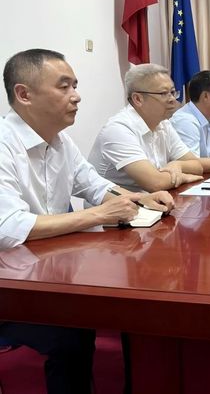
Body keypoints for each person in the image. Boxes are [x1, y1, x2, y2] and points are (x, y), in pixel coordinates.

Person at [0, 49, 174, 394]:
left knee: (120, 306)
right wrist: (99, 214)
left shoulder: (61, 142)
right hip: (12, 286)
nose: (77, 96)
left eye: (75, 85)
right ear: (24, 94)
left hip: (49, 273)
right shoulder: (4, 144)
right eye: (64, 86)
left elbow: (93, 184)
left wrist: (137, 198)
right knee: (72, 330)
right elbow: (9, 228)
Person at [88, 64, 205, 192]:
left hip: (152, 199)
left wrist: (178, 165)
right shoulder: (118, 129)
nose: (172, 99)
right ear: (138, 99)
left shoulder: (163, 124)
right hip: (115, 203)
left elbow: (197, 166)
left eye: (172, 92)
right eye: (164, 93)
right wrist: (182, 177)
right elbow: (155, 183)